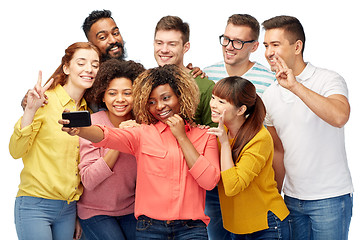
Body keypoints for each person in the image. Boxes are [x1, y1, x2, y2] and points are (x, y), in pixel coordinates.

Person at [60, 64, 220, 239]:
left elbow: (209, 181)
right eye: (151, 102)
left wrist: (182, 137)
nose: (159, 106)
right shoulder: (143, 133)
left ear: (181, 96)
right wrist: (80, 130)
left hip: (192, 229)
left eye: (166, 98)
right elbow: (108, 135)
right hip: (150, 229)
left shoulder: (206, 136)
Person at [262, 15, 353, 240]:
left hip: (330, 198)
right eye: (266, 45)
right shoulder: (269, 94)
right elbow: (279, 150)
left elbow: (340, 116)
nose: (268, 52)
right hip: (292, 200)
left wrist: (295, 86)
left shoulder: (328, 79)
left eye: (275, 45)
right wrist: (275, 195)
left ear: (297, 46)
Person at [9, 42, 100, 240]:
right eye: (82, 63)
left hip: (68, 210)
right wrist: (30, 110)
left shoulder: (89, 113)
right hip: (35, 205)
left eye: (95, 64)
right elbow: (15, 151)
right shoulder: (45, 101)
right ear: (66, 67)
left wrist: (77, 213)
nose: (89, 69)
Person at [203, 14, 276, 239]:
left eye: (238, 42)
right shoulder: (207, 75)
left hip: (250, 181)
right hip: (215, 182)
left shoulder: (270, 81)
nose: (229, 47)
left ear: (254, 46)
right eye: (225, 39)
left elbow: (274, 140)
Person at [207, 76, 290, 240]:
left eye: (222, 102)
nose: (213, 105)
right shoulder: (219, 132)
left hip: (266, 225)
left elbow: (232, 186)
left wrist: (224, 144)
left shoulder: (259, 138)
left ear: (240, 110)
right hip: (237, 227)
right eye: (213, 98)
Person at [77, 59, 145, 240]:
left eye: (127, 93)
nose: (120, 99)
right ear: (103, 96)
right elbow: (89, 180)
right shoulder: (92, 125)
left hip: (129, 209)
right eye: (112, 93)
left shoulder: (142, 126)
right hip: (95, 211)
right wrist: (119, 139)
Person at [153, 15, 216, 127]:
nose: (164, 50)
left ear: (185, 47)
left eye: (172, 44)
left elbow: (215, 134)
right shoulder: (147, 83)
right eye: (159, 43)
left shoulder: (205, 86)